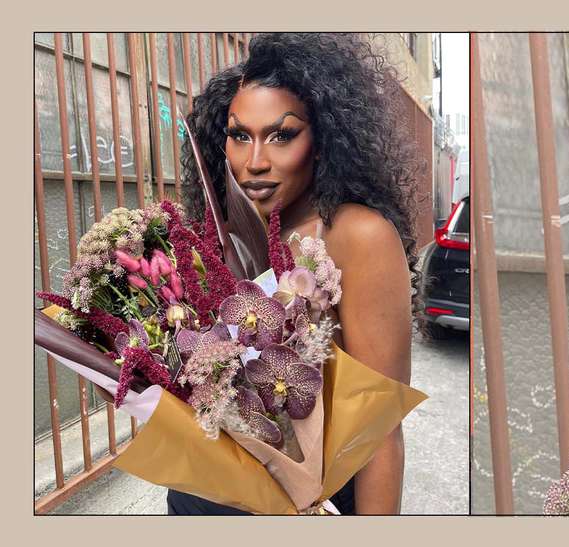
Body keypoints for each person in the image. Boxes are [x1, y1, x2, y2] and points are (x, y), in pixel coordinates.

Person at [175, 32, 420, 515]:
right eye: (239, 135)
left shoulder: (357, 236)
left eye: (282, 135)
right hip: (199, 496)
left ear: (325, 136)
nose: (254, 162)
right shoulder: (217, 232)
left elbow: (380, 431)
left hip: (305, 503)